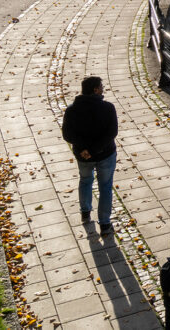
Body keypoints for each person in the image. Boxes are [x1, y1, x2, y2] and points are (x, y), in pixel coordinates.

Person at [61, 76, 118, 236]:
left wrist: (84, 149)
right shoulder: (108, 108)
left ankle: (85, 212)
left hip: (83, 156)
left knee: (85, 180)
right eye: (101, 86)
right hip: (105, 154)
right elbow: (111, 133)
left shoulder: (72, 110)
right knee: (105, 186)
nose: (103, 88)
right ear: (95, 90)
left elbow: (67, 134)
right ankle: (105, 224)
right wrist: (95, 149)